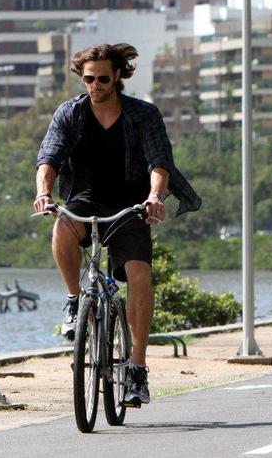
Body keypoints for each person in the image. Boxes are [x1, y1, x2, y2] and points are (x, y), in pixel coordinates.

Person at [33, 43, 201, 406]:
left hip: (131, 204)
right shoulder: (70, 113)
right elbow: (50, 157)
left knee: (139, 277)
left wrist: (155, 196)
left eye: (103, 78)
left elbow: (160, 162)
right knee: (61, 226)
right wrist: (44, 192)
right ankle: (75, 301)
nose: (95, 85)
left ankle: (137, 367)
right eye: (89, 79)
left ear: (119, 76)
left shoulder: (143, 115)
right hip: (84, 199)